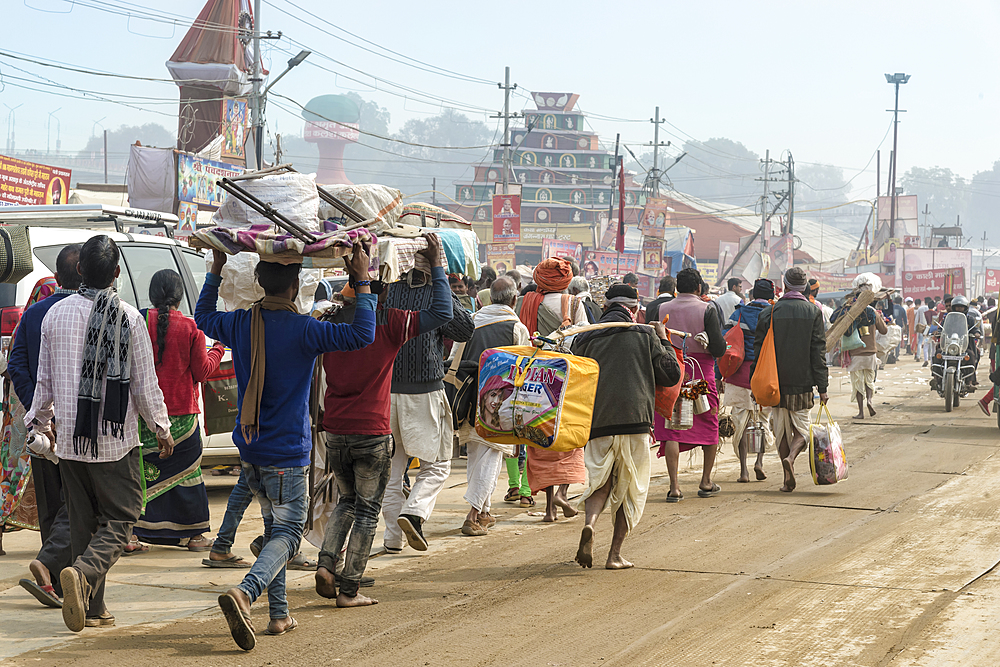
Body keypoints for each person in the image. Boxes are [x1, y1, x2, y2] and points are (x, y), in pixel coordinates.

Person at [196, 245, 376, 650]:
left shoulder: (242, 323)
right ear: (295, 286)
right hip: (287, 453)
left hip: (251, 451)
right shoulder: (305, 330)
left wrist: (217, 268)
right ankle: (246, 591)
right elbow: (363, 334)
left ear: (260, 282)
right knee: (290, 532)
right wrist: (362, 279)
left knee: (273, 530)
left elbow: (204, 316)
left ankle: (279, 616)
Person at [25, 235, 174, 632]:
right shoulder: (129, 317)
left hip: (71, 441)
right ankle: (83, 572)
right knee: (123, 517)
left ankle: (93, 608)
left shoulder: (55, 315)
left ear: (79, 271)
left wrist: (38, 424)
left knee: (82, 524)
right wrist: (161, 425)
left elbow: (45, 381)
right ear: (117, 273)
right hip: (115, 440)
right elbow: (144, 383)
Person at [316, 234, 451, 606]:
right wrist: (437, 266)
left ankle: (326, 565)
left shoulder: (326, 322)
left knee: (346, 500)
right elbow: (443, 313)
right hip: (370, 431)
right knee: (367, 510)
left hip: (336, 431)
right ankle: (349, 588)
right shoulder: (387, 323)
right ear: (380, 294)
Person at [571, 284, 680, 568]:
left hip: (597, 421)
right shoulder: (645, 334)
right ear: (634, 310)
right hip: (635, 421)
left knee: (600, 481)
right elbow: (671, 374)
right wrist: (663, 338)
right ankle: (614, 555)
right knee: (629, 489)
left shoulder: (585, 337)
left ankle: (591, 525)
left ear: (605, 308)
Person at [382, 262, 474, 555]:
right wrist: (442, 284)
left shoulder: (388, 292)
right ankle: (414, 512)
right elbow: (465, 329)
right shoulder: (437, 293)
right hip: (425, 391)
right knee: (437, 465)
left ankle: (392, 538)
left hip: (386, 392)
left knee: (391, 471)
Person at [7, 246, 81, 607]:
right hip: (79, 427)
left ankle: (52, 577)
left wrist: (38, 411)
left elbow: (15, 363)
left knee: (52, 504)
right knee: (81, 500)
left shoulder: (34, 313)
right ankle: (59, 573)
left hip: (41, 428)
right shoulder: (88, 312)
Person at [130, 269, 225, 552]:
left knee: (140, 471)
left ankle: (132, 534)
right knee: (189, 473)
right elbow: (202, 371)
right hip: (181, 415)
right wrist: (218, 349)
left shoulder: (137, 322)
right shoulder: (190, 329)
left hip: (143, 414)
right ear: (179, 296)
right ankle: (194, 536)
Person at [454, 277, 531, 535]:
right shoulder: (515, 326)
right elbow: (524, 367)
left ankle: (485, 512)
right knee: (493, 454)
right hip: (498, 403)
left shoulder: (471, 321)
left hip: (466, 398)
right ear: (513, 299)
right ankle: (473, 514)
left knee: (477, 455)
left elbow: (456, 357)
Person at [517, 259, 589, 520]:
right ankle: (562, 492)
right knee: (568, 437)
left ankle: (549, 509)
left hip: (533, 380)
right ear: (566, 280)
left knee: (540, 440)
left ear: (539, 278)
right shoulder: (574, 304)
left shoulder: (524, 303)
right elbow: (582, 339)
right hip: (566, 378)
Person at [753, 267, 829, 492]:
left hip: (773, 381)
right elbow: (818, 352)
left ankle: (788, 476)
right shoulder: (813, 312)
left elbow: (757, 352)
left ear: (784, 286)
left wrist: (753, 383)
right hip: (803, 382)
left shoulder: (769, 313)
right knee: (803, 430)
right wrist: (822, 386)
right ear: (804, 287)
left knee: (781, 430)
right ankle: (792, 458)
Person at [657, 268, 726, 502]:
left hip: (669, 370)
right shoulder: (707, 309)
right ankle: (706, 481)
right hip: (701, 372)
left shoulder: (660, 308)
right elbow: (718, 349)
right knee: (709, 421)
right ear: (699, 288)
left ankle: (674, 487)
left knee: (671, 427)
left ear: (677, 287)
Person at [723, 279, 775, 484]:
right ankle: (759, 463)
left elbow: (724, 342)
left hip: (738, 374)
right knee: (762, 421)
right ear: (770, 296)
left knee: (741, 423)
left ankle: (743, 470)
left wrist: (721, 375)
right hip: (766, 373)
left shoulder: (738, 314)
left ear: (752, 295)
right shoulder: (773, 314)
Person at [830, 289, 887, 420]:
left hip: (855, 352)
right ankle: (870, 401)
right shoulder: (872, 312)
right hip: (871, 352)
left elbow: (833, 319)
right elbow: (884, 330)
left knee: (857, 382)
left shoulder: (850, 311)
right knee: (869, 379)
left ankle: (861, 412)